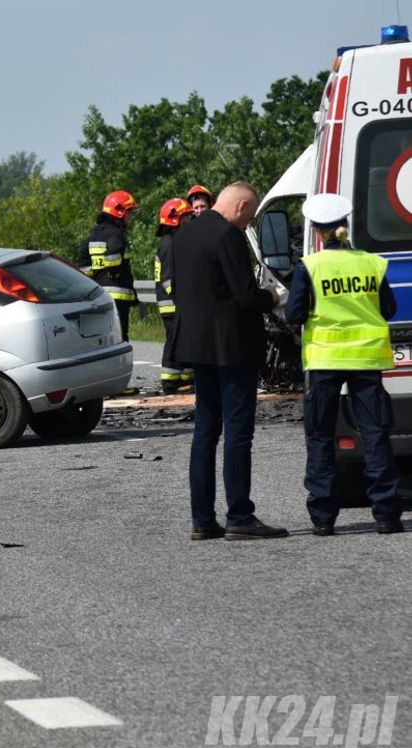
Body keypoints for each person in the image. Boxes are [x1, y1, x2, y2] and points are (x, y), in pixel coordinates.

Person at [170, 181, 289, 540]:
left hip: (197, 346)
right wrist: (272, 296)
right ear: (240, 207)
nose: (246, 223)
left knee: (205, 432)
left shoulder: (185, 235)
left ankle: (202, 519)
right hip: (232, 348)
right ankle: (240, 515)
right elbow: (244, 295)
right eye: (249, 217)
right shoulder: (228, 236)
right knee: (238, 433)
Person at [284, 193, 403, 535]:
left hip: (324, 359)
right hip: (367, 357)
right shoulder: (372, 263)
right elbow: (389, 310)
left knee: (320, 435)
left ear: (318, 233)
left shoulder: (310, 266)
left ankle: (323, 518)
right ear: (345, 226)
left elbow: (294, 314)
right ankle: (386, 515)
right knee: (376, 433)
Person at [80, 190, 140, 395]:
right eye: (129, 213)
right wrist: (109, 266)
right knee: (120, 339)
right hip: (118, 295)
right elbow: (114, 259)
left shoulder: (93, 234)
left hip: (98, 295)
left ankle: (103, 384)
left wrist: (96, 272)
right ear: (119, 212)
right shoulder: (116, 234)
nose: (131, 217)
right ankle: (119, 385)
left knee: (103, 341)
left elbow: (84, 266)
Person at [154, 198, 195, 393]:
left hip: (173, 302)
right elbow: (169, 279)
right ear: (174, 220)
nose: (189, 221)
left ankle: (185, 377)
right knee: (173, 341)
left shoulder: (171, 241)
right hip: (172, 303)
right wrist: (183, 301)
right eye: (185, 217)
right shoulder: (169, 243)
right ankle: (170, 382)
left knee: (181, 339)